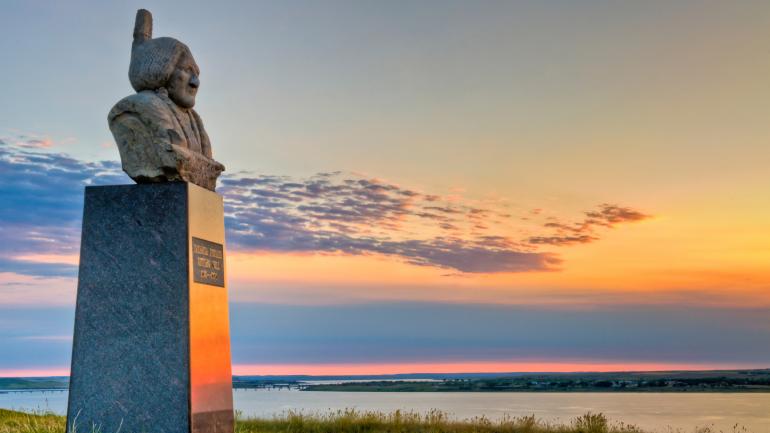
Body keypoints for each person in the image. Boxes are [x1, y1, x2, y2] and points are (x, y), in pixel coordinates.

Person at [108, 9, 224, 191]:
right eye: (187, 70)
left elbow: (212, 167)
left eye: (197, 74)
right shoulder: (139, 107)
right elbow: (204, 165)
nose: (195, 82)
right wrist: (203, 165)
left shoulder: (194, 119)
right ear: (161, 71)